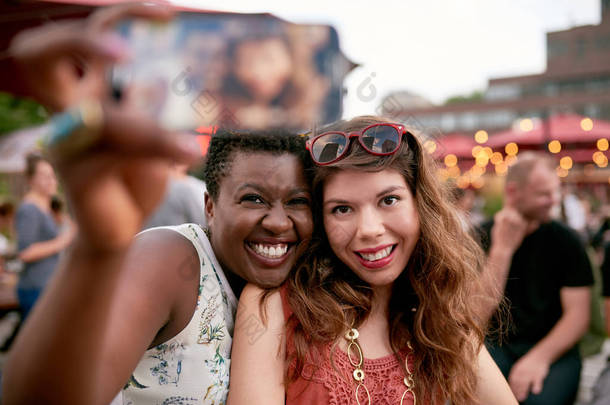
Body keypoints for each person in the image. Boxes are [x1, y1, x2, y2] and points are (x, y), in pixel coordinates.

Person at [2, 4, 314, 405]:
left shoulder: (310, 281)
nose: (277, 221)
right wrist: (96, 251)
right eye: (253, 198)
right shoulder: (172, 260)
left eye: (298, 201)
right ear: (211, 207)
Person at [228, 116, 517, 405]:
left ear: (420, 205)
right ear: (320, 221)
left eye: (388, 200)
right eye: (342, 209)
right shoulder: (272, 307)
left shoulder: (439, 317)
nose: (369, 229)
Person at [479, 152, 594, 404]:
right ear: (513, 192)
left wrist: (538, 359)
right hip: (495, 347)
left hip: (554, 349)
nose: (553, 200)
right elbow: (473, 315)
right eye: (543, 194)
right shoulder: (479, 237)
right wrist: (502, 250)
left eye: (555, 192)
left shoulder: (566, 240)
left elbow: (578, 317)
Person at [15, 153, 76, 320]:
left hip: (48, 285)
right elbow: (25, 252)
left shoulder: (46, 207)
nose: (51, 180)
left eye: (52, 175)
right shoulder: (29, 209)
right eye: (44, 175)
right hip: (35, 288)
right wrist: (62, 241)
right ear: (31, 179)